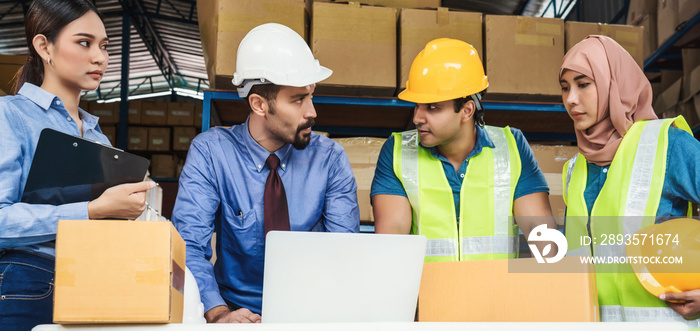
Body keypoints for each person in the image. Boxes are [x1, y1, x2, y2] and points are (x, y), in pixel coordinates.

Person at [171, 23, 359, 324]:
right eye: (298, 99)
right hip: (235, 310)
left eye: (311, 95)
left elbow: (344, 252)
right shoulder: (212, 153)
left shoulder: (329, 159)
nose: (312, 111)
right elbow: (188, 245)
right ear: (259, 105)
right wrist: (218, 313)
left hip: (314, 312)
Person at [0, 1, 154, 330]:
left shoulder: (99, 139)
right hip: (30, 279)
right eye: (84, 43)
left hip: (95, 284)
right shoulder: (10, 115)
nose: (100, 57)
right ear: (44, 47)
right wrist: (91, 209)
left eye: (104, 46)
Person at [371, 38, 557, 262]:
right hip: (427, 296)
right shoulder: (397, 152)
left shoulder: (512, 147)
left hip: (497, 296)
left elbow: (545, 243)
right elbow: (392, 247)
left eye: (432, 107)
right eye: (417, 105)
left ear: (467, 111)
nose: (417, 117)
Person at [559, 35, 700, 327]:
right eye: (564, 88)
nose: (571, 99)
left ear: (614, 83)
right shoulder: (574, 171)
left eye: (583, 84)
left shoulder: (667, 145)